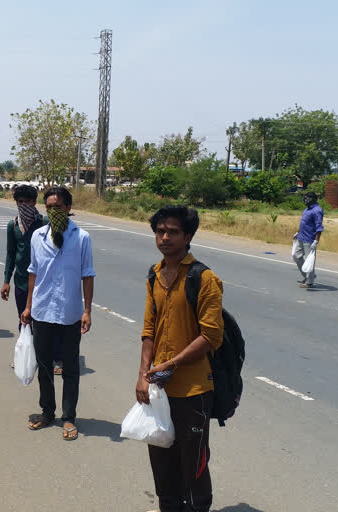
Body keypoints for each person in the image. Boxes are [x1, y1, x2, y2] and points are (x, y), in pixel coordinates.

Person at [137, 205, 224, 512]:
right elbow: (149, 330)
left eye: (172, 231)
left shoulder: (204, 278)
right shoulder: (154, 275)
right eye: (160, 231)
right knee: (161, 456)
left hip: (193, 391)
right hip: (158, 389)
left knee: (194, 462)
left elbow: (211, 337)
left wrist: (171, 364)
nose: (164, 237)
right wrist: (142, 375)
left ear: (188, 236)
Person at [20, 187, 95, 441]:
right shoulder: (38, 236)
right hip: (42, 311)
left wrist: (87, 310)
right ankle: (47, 411)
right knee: (44, 367)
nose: (54, 211)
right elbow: (33, 273)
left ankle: (69, 417)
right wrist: (28, 307)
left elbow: (88, 275)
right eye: (49, 207)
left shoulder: (81, 237)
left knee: (71, 368)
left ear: (68, 207)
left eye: (58, 206)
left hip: (70, 314)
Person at [0, 185, 63, 373]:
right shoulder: (13, 225)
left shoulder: (44, 222)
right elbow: (11, 254)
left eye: (28, 202)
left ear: (35, 202)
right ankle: (27, 356)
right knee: (24, 319)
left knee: (49, 321)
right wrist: (6, 281)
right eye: (21, 202)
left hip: (43, 283)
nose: (24, 205)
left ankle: (56, 358)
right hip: (21, 281)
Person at [292, 191, 324, 288]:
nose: (305, 200)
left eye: (307, 198)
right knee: (296, 256)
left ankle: (309, 281)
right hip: (301, 237)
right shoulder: (307, 209)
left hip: (310, 239)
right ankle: (309, 275)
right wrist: (297, 232)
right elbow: (304, 223)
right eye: (304, 198)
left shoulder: (317, 210)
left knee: (309, 260)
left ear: (313, 199)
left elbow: (319, 226)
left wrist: (316, 241)